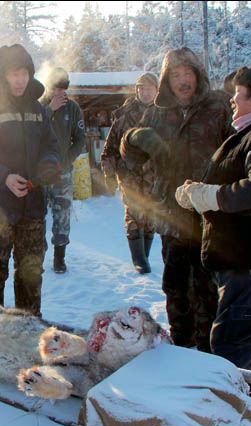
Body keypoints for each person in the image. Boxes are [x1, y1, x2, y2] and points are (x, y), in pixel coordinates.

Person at [175, 62, 251, 400]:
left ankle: (219, 412)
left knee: (235, 336)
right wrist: (201, 189)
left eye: (239, 94)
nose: (232, 100)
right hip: (244, 254)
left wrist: (208, 196)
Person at [120, 47, 234, 352]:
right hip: (172, 216)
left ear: (199, 76)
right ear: (166, 80)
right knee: (175, 287)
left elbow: (239, 150)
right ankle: (182, 347)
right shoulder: (156, 112)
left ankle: (209, 354)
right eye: (176, 75)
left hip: (210, 216)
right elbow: (130, 156)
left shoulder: (219, 106)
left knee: (208, 289)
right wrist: (133, 139)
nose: (183, 81)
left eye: (188, 74)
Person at [0, 43, 60, 316]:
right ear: (3, 75)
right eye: (14, 74)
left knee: (30, 272)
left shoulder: (39, 111)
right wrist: (4, 177)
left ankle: (28, 328)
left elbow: (50, 146)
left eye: (24, 73)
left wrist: (49, 164)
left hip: (32, 207)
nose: (20, 80)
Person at [101, 72, 159, 274]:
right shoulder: (123, 118)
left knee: (151, 216)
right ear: (137, 91)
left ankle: (145, 255)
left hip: (154, 177)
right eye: (142, 88)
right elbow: (109, 150)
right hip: (129, 176)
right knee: (134, 214)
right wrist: (109, 174)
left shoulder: (164, 116)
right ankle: (139, 260)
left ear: (157, 91)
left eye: (150, 89)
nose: (145, 92)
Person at [39, 67, 86, 273]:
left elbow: (80, 139)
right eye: (55, 88)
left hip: (62, 171)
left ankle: (59, 258)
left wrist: (66, 161)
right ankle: (36, 257)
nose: (59, 93)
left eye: (62, 89)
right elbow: (31, 134)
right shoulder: (39, 106)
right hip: (39, 172)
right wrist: (50, 110)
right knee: (36, 216)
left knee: (62, 215)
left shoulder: (73, 108)